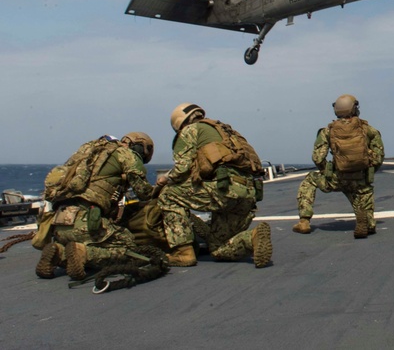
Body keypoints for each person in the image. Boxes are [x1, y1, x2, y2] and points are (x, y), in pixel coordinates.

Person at [157, 103, 271, 268]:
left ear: (180, 124)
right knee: (218, 248)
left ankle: (183, 252)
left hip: (226, 189)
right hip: (248, 194)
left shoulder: (190, 130)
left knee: (168, 195)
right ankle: (251, 237)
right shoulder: (226, 132)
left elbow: (182, 169)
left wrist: (164, 180)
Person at [35, 132, 157, 281]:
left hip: (59, 223)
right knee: (128, 245)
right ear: (139, 147)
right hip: (87, 221)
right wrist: (160, 188)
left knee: (79, 242)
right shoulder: (126, 155)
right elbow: (144, 193)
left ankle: (59, 252)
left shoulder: (90, 152)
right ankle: (85, 254)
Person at [292, 94, 385, 239]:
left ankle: (304, 221)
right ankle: (367, 222)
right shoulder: (368, 130)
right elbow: (379, 156)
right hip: (360, 180)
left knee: (310, 180)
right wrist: (367, 172)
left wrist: (327, 171)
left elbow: (317, 157)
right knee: (364, 201)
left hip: (337, 178)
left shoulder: (328, 131)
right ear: (355, 108)